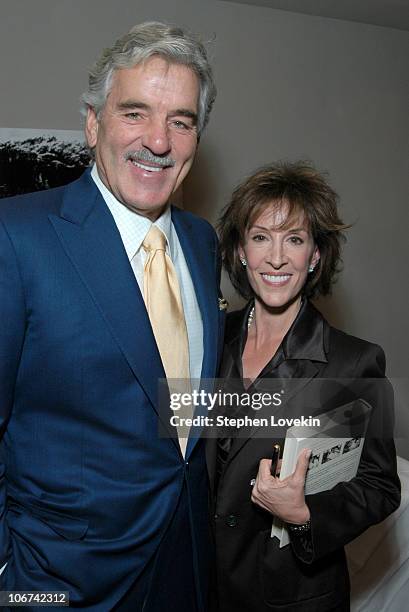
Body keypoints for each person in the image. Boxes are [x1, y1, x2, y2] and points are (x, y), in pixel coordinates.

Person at [0, 22, 225, 611]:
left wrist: (335, 415)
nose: (159, 140)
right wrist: (9, 571)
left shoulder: (202, 243)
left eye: (181, 120)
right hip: (58, 578)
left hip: (186, 561)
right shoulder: (16, 236)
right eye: (135, 113)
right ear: (93, 123)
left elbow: (180, 404)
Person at [207, 161, 400, 611]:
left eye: (294, 239)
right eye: (260, 238)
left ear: (314, 255)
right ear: (240, 251)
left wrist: (304, 512)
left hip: (286, 594)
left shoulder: (353, 362)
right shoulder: (209, 338)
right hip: (199, 584)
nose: (276, 258)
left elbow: (380, 485)